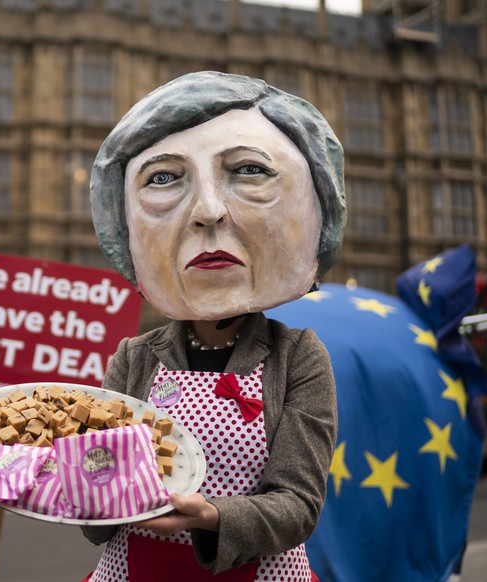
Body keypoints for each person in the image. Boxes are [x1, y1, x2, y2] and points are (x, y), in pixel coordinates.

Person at [82, 71, 345, 580]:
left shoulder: (299, 357)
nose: (207, 211)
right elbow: (96, 515)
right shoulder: (133, 357)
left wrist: (215, 518)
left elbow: (298, 505)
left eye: (249, 170)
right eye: (162, 178)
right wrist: (58, 483)